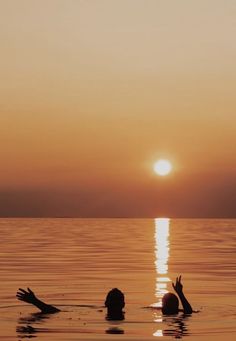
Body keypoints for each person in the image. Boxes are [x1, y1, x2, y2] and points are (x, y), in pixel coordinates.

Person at [16, 287, 125, 320]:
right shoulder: (94, 313)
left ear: (123, 304)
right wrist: (35, 301)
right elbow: (57, 312)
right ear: (106, 303)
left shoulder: (96, 314)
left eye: (117, 300)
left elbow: (55, 312)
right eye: (113, 299)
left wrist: (35, 301)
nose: (115, 302)